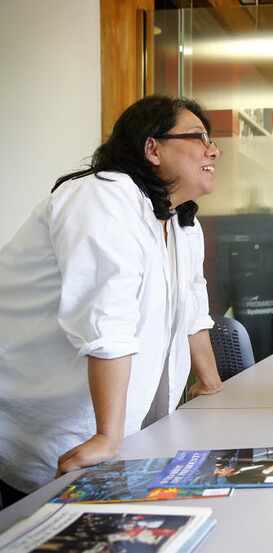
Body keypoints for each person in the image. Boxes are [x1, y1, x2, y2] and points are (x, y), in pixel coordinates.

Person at [0, 95, 225, 505]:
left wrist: (210, 387)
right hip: (45, 428)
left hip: (118, 433)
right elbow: (107, 318)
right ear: (152, 148)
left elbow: (192, 306)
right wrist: (106, 434)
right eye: (198, 137)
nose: (213, 149)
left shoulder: (179, 220)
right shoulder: (100, 197)